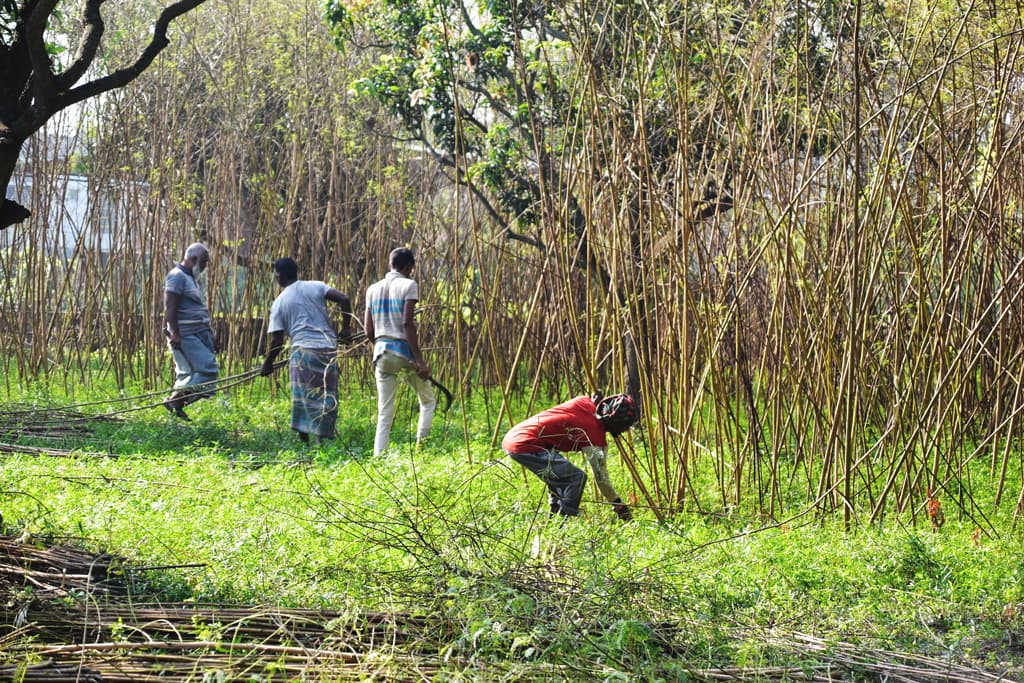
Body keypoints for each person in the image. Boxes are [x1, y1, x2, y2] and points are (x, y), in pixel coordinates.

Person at [502, 392, 638, 519]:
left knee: (559, 476)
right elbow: (601, 479)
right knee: (575, 478)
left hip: (515, 435)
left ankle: (554, 513)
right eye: (625, 427)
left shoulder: (584, 402)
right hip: (526, 444)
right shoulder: (595, 436)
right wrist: (618, 504)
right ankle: (564, 521)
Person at [259, 257, 353, 442]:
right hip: (327, 350)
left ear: (278, 275)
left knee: (303, 397)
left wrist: (267, 363)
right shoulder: (316, 286)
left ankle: (306, 442)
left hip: (303, 353)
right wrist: (346, 328)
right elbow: (344, 298)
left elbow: (277, 340)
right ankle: (323, 438)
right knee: (327, 394)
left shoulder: (279, 302)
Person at [364, 247, 436, 456]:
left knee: (384, 411)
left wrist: (381, 346)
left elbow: (369, 330)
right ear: (408, 267)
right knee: (428, 401)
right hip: (404, 353)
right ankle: (421, 450)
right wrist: (420, 361)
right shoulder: (409, 285)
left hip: (381, 354)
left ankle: (379, 456)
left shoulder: (372, 289)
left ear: (390, 264)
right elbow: (407, 323)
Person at [163, 242, 219, 420]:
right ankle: (175, 400)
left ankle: (177, 402)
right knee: (207, 370)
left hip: (196, 333)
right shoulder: (177, 276)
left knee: (190, 373)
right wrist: (174, 332)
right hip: (185, 334)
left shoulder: (189, 277)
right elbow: (170, 306)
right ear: (194, 259)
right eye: (204, 262)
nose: (205, 267)